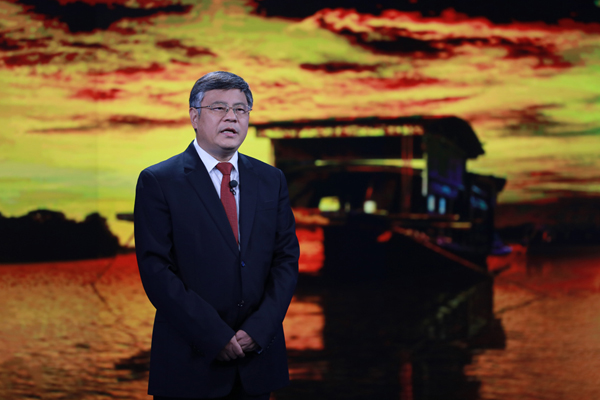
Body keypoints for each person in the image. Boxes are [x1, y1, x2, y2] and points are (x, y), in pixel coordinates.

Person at [134, 71, 300, 400]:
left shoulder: (272, 179)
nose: (231, 117)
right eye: (219, 108)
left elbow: (286, 260)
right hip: (189, 363)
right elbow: (156, 271)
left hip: (257, 362)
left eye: (240, 109)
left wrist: (258, 330)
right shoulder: (159, 181)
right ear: (194, 117)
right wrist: (214, 336)